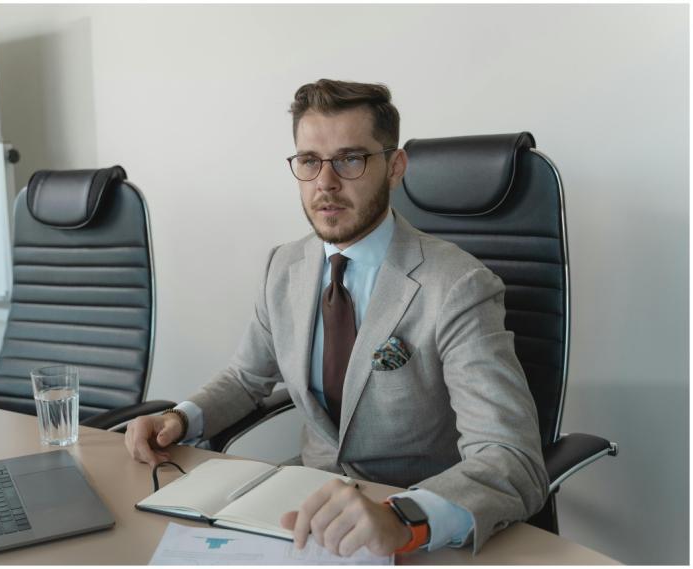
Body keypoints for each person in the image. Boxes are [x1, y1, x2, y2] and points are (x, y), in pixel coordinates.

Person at [125, 79, 548, 557]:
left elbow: (511, 457)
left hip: (411, 527)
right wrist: (180, 418)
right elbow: (246, 378)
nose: (325, 182)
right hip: (306, 514)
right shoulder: (283, 266)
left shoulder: (458, 285)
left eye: (350, 159)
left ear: (395, 167)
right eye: (310, 161)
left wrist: (403, 517)